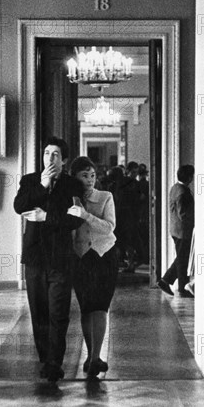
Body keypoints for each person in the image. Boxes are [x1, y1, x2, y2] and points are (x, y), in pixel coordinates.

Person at [13, 137, 84, 382]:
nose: (50, 158)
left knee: (58, 312)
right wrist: (42, 186)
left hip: (61, 257)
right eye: (46, 153)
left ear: (64, 161)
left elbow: (76, 218)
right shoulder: (30, 181)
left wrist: (47, 218)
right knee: (39, 312)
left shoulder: (73, 185)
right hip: (34, 257)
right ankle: (45, 358)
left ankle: (55, 362)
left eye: (55, 154)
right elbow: (18, 206)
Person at [67, 156, 118, 379]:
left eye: (92, 175)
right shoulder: (68, 199)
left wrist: (86, 215)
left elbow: (109, 228)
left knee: (100, 307)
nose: (89, 180)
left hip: (104, 255)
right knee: (86, 307)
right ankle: (89, 355)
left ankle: (96, 357)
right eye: (84, 175)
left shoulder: (105, 197)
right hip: (80, 258)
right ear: (74, 176)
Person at [158, 165, 195, 298]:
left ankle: (166, 281)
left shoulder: (175, 188)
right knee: (182, 260)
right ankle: (181, 288)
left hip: (175, 229)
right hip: (183, 231)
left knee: (181, 257)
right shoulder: (183, 191)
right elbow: (183, 213)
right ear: (189, 177)